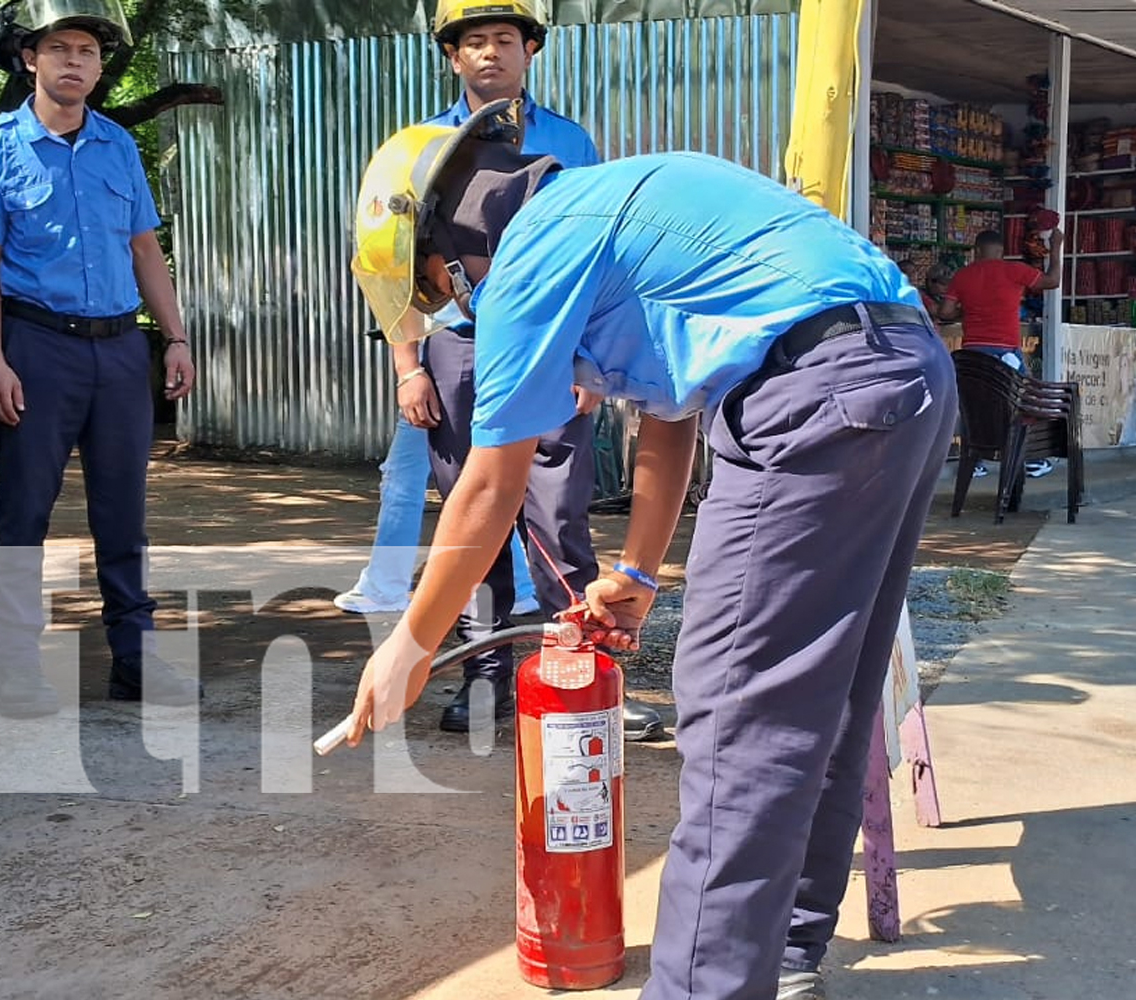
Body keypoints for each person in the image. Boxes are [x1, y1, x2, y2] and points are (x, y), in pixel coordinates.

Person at [340, 100, 958, 1000]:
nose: (461, 306)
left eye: (445, 288)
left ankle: (706, 985)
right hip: (902, 376)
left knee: (736, 716)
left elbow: (488, 484)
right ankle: (782, 952)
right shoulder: (624, 201)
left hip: (809, 398)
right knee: (827, 682)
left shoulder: (532, 254)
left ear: (446, 241)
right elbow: (670, 423)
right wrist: (635, 573)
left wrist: (410, 644)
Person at [340, 0, 663, 740]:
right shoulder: (419, 149)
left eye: (504, 40)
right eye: (473, 42)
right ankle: (483, 680)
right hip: (458, 346)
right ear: (452, 57)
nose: (490, 53)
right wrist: (408, 364)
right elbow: (384, 259)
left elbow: (598, 254)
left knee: (558, 512)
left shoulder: (570, 142)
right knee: (469, 512)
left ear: (530, 51)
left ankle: (582, 674)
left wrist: (587, 357)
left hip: (552, 344)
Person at [0, 0, 200, 717]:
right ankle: (15, 670)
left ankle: (134, 662)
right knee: (24, 512)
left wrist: (175, 335)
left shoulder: (117, 146)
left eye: (88, 52)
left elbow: (144, 247)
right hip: (37, 347)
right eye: (59, 48)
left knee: (124, 515)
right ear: (29, 58)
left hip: (120, 351)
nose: (75, 62)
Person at [939, 228, 1065, 478]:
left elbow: (944, 312)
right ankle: (1031, 459)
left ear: (976, 250)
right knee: (1025, 402)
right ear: (1001, 251)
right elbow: (1052, 281)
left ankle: (975, 462)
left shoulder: (963, 276)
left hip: (972, 355)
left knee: (976, 407)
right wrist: (1057, 248)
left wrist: (970, 312)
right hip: (1006, 352)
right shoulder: (1014, 270)